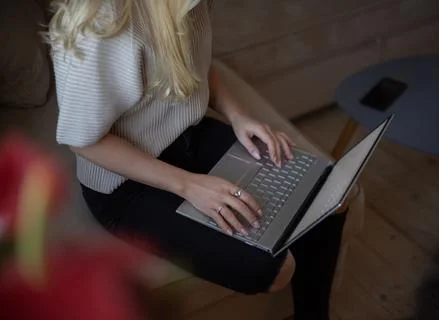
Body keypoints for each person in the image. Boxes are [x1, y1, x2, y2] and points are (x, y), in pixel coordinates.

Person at [47, 0, 353, 318]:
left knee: (331, 198)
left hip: (190, 135)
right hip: (125, 185)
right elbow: (83, 143)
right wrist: (189, 185)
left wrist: (239, 116)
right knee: (274, 269)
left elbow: (199, 63)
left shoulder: (189, 5)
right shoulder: (100, 27)